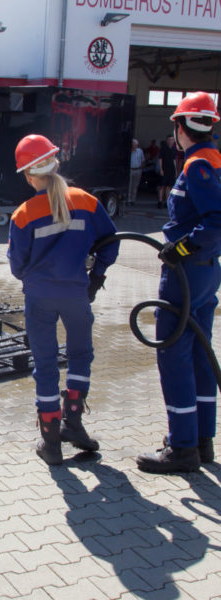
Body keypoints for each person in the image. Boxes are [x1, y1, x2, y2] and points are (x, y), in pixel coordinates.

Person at [8, 134, 120, 465]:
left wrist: (35, 276)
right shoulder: (87, 201)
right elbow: (110, 242)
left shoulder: (23, 214)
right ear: (56, 163)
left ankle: (51, 442)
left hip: (40, 297)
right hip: (76, 294)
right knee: (81, 355)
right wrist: (96, 276)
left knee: (45, 364)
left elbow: (17, 266)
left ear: (28, 176)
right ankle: (74, 423)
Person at [136, 92, 221, 474]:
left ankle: (183, 447)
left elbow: (216, 221)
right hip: (205, 272)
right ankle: (203, 441)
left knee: (174, 355)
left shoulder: (198, 167)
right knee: (200, 352)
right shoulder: (213, 161)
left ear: (180, 126)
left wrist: (180, 249)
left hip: (186, 272)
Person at [158, 134, 177, 208]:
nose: (170, 141)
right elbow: (160, 159)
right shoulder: (163, 148)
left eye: (172, 140)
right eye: (169, 140)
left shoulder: (174, 149)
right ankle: (160, 201)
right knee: (162, 186)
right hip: (164, 169)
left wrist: (176, 171)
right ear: (166, 140)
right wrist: (161, 169)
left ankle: (167, 201)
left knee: (169, 186)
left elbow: (174, 160)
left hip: (171, 170)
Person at [128, 138, 145, 206]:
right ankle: (128, 200)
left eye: (135, 144)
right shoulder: (129, 151)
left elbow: (142, 160)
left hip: (137, 170)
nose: (133, 146)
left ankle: (133, 200)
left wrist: (141, 167)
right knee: (129, 185)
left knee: (135, 186)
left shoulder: (140, 151)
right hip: (131, 169)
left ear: (137, 145)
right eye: (132, 144)